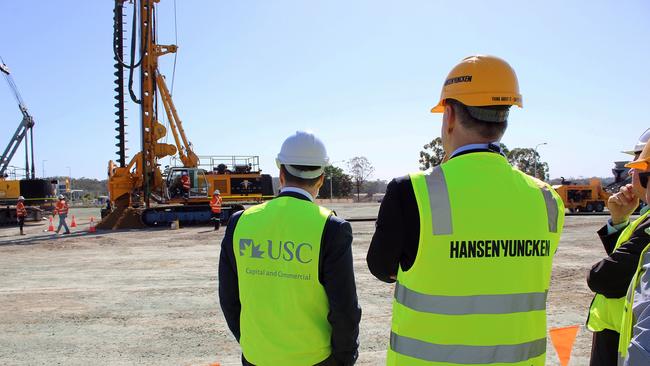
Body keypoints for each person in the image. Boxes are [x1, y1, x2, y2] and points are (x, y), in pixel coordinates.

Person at [366, 55, 565, 365]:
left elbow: (382, 268)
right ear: (505, 119)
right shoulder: (548, 199)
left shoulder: (411, 192)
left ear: (449, 117)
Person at [219, 131, 361, 366]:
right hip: (314, 358)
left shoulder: (239, 222)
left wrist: (250, 341)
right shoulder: (331, 228)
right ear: (321, 179)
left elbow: (229, 298)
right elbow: (344, 308)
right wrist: (344, 359)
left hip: (257, 357)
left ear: (281, 173)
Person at [587, 137, 650, 366]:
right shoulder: (643, 217)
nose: (630, 173)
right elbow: (629, 262)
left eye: (637, 165)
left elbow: (605, 277)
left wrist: (597, 272)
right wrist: (619, 220)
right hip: (616, 332)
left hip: (623, 339)